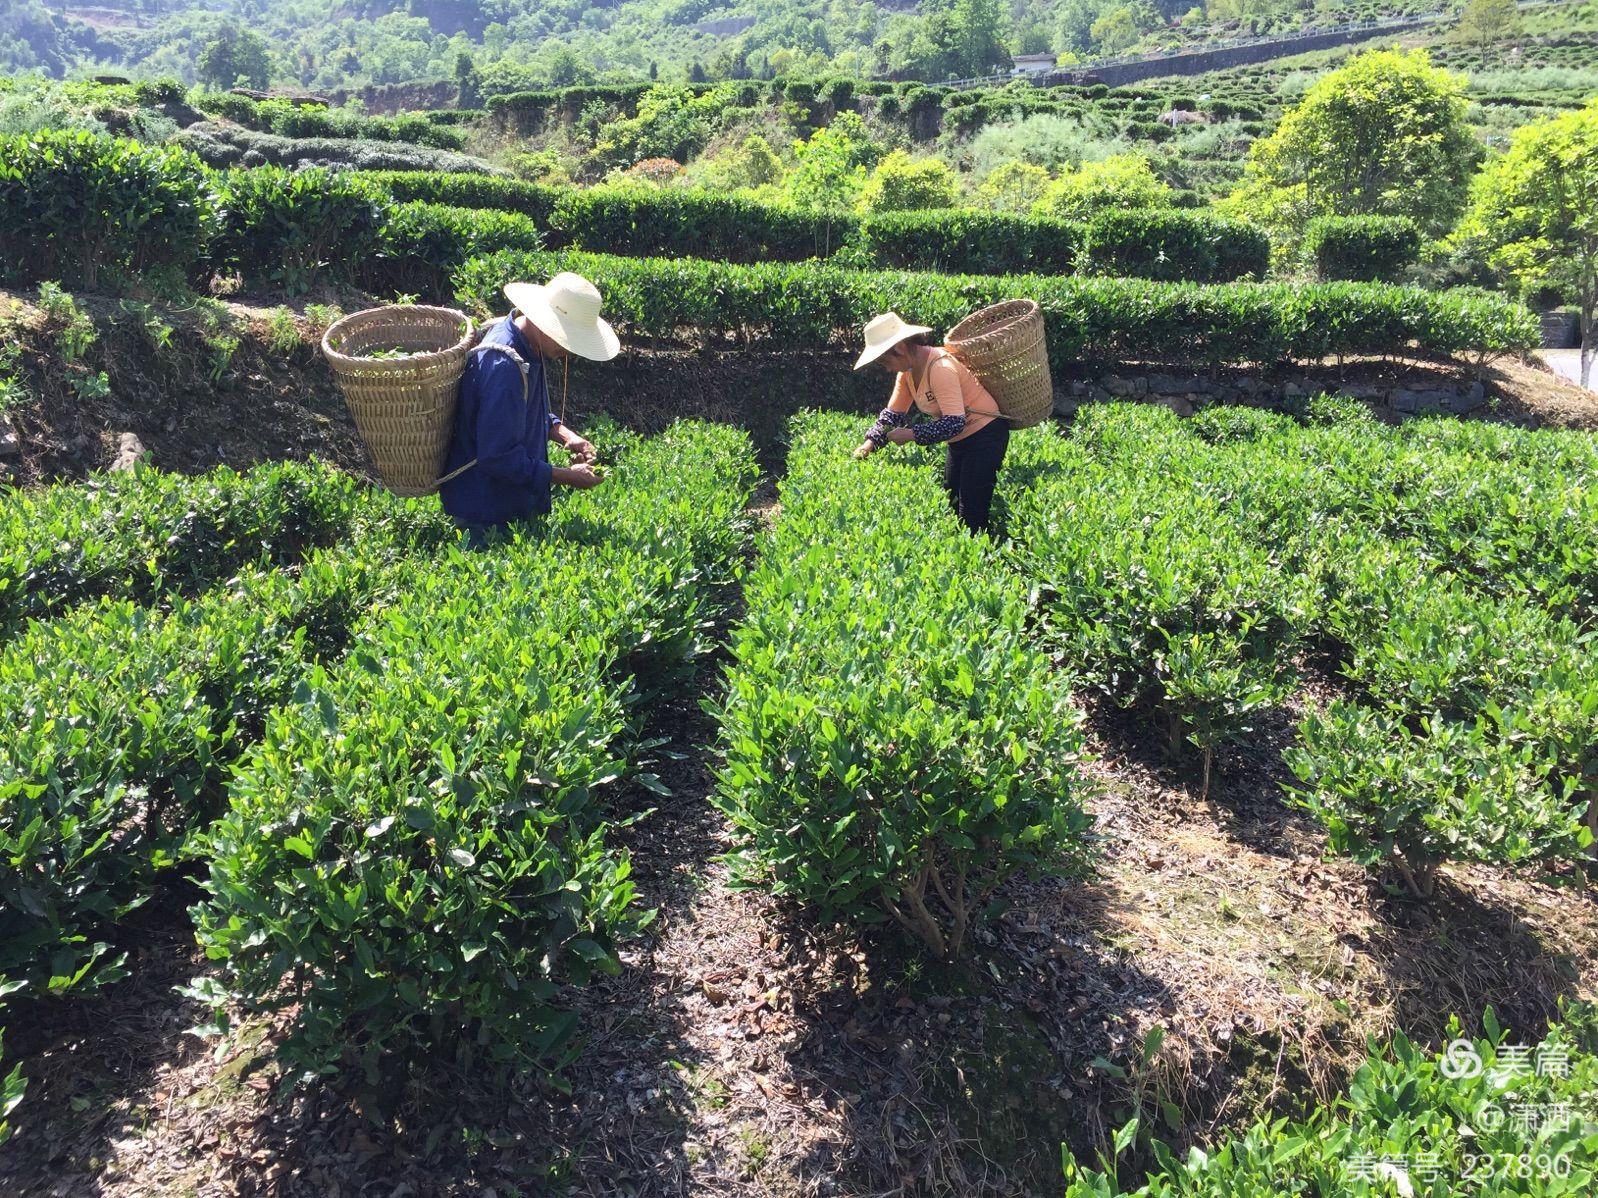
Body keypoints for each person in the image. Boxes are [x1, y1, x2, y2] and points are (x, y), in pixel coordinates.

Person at [439, 272, 618, 547]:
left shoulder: (530, 348)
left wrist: (567, 436)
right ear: (546, 323)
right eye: (567, 338)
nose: (570, 350)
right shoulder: (504, 365)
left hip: (512, 504)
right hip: (486, 514)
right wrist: (566, 476)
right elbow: (498, 458)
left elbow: (524, 414)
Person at [852, 311, 1010, 534]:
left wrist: (911, 434)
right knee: (952, 501)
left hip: (985, 435)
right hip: (960, 440)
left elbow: (954, 423)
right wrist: (868, 445)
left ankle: (980, 562)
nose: (886, 368)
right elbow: (892, 416)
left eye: (885, 362)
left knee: (971, 510)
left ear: (900, 348)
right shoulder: (907, 374)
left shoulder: (940, 367)